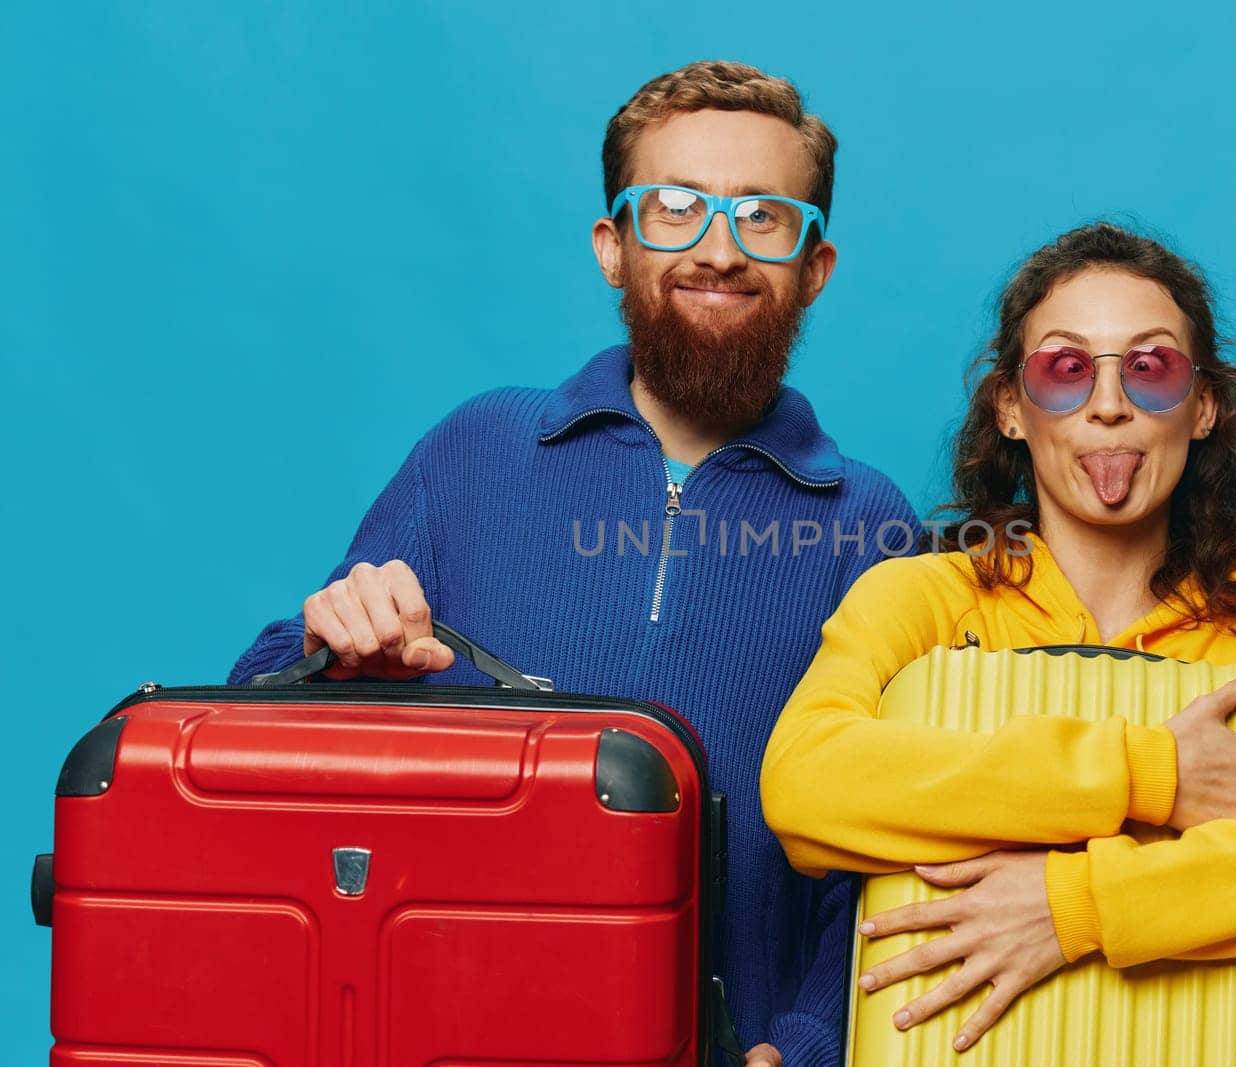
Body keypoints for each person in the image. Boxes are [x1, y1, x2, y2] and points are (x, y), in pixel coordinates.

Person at [229, 60, 919, 1067]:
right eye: (674, 207)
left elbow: (889, 844)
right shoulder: (477, 448)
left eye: (763, 217)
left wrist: (811, 1042)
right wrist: (334, 649)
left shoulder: (871, 523)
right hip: (440, 1035)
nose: (717, 250)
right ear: (613, 246)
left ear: (815, 265)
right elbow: (257, 701)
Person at [760, 222, 1236, 1060]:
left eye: (1150, 367)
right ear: (1011, 409)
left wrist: (1080, 905)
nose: (1107, 403)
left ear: (1203, 407)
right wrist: (1152, 777)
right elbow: (805, 786)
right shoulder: (922, 601)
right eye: (1064, 370)